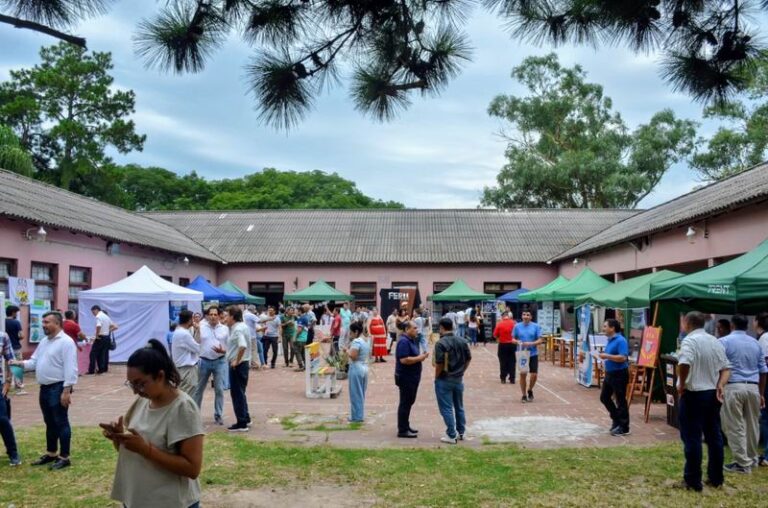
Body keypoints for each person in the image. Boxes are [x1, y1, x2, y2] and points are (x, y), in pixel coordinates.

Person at [100, 339, 204, 508]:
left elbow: (192, 468)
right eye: (131, 384)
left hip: (168, 501)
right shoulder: (143, 401)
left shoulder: (183, 408)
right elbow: (133, 451)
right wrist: (120, 439)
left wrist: (146, 449)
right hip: (137, 497)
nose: (135, 390)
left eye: (140, 383)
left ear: (160, 376)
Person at [11, 311, 77, 470]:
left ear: (57, 323)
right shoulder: (44, 341)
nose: (43, 325)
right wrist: (19, 363)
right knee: (49, 422)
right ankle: (51, 453)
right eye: (43, 322)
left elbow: (71, 368)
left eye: (47, 322)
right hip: (45, 388)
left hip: (58, 387)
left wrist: (66, 390)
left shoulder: (66, 342)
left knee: (61, 422)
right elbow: (34, 362)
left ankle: (64, 457)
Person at [676, 311, 731, 491]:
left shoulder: (689, 341)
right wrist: (721, 385)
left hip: (694, 393)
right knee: (714, 436)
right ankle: (716, 478)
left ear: (686, 323)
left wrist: (681, 384)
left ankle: (692, 481)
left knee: (692, 437)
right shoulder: (714, 341)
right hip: (712, 394)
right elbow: (726, 368)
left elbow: (684, 363)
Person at [719, 314, 767, 473]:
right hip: (753, 387)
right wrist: (761, 393)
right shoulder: (755, 343)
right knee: (752, 425)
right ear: (746, 326)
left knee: (734, 426)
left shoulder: (724, 342)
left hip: (734, 387)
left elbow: (718, 366)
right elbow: (763, 371)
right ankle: (752, 459)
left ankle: (741, 463)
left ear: (731, 325)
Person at [433, 317, 471, 444]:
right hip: (458, 378)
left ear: (442, 328)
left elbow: (439, 363)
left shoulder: (441, 343)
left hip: (444, 378)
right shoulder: (462, 341)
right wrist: (462, 371)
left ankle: (451, 434)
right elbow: (468, 358)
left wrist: (436, 376)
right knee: (459, 406)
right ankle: (461, 432)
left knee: (446, 407)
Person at [194, 306, 229, 425]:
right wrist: (197, 330)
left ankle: (218, 414)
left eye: (215, 314)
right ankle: (195, 415)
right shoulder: (202, 327)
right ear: (207, 316)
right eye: (211, 314)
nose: (213, 316)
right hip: (204, 361)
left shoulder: (225, 329)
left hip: (219, 361)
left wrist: (223, 351)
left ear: (219, 316)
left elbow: (229, 345)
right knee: (199, 389)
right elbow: (197, 341)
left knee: (219, 389)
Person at [395, 321, 429, 438]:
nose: (417, 330)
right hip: (406, 377)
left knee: (409, 402)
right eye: (414, 328)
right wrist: (420, 358)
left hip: (412, 377)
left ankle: (406, 425)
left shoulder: (411, 340)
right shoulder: (403, 341)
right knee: (405, 402)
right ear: (407, 329)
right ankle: (402, 430)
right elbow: (404, 360)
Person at [598, 319, 630, 437]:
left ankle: (624, 427)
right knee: (604, 397)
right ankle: (616, 419)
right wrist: (604, 359)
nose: (603, 328)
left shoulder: (621, 340)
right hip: (610, 373)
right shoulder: (610, 340)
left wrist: (607, 356)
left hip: (619, 374)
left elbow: (623, 357)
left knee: (620, 400)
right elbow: (610, 356)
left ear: (612, 328)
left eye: (605, 326)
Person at [222, 306, 251, 432]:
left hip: (238, 366)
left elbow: (242, 346)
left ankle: (241, 422)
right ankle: (245, 417)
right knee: (240, 392)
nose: (225, 318)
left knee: (237, 394)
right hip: (242, 364)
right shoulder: (241, 326)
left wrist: (236, 361)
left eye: (227, 315)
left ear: (233, 316)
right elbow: (238, 347)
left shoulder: (237, 329)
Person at [1, 329, 21, 466]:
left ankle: (13, 453)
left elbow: (12, 361)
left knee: (2, 420)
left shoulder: (3, 336)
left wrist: (8, 382)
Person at [514, 310, 543, 402]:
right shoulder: (517, 326)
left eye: (528, 315)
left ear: (531, 317)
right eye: (524, 314)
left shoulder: (536, 326)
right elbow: (512, 339)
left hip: (533, 353)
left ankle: (530, 389)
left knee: (534, 374)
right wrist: (517, 342)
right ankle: (523, 395)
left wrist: (531, 343)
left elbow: (540, 340)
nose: (525, 316)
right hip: (522, 354)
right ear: (522, 316)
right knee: (523, 374)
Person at [171, 310, 201, 397]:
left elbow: (194, 344)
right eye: (193, 319)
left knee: (183, 395)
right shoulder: (184, 334)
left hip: (182, 368)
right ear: (189, 320)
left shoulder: (180, 331)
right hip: (187, 369)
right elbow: (198, 348)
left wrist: (197, 330)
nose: (194, 321)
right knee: (187, 397)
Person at [346, 322, 370, 423]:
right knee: (361, 393)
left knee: (355, 393)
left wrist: (346, 351)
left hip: (356, 367)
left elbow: (354, 356)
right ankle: (359, 414)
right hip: (364, 366)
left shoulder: (357, 341)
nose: (350, 335)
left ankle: (356, 416)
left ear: (356, 332)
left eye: (351, 332)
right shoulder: (366, 340)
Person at [756, 312, 768, 467]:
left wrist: (761, 390)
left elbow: (763, 366)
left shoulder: (764, 339)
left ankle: (766, 455)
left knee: (765, 418)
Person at [88, 305, 114, 375]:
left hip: (100, 337)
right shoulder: (106, 316)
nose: (93, 314)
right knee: (102, 354)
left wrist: (96, 335)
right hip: (106, 337)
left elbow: (98, 325)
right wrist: (107, 331)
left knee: (93, 354)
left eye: (93, 312)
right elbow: (113, 325)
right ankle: (101, 370)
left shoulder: (98, 316)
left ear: (96, 310)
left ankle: (91, 370)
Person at [493, 312, 517, 384]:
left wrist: (499, 337)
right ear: (508, 316)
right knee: (512, 361)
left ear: (502, 316)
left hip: (503, 344)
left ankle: (503, 378)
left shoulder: (499, 324)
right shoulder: (514, 323)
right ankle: (512, 378)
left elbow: (495, 335)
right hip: (512, 344)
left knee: (502, 361)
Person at [5, 305, 25, 392]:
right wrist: (19, 338)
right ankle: (19, 386)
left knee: (8, 367)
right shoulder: (16, 322)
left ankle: (7, 386)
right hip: (16, 347)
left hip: (5, 348)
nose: (16, 314)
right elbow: (21, 335)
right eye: (16, 312)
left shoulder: (3, 322)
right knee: (17, 366)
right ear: (13, 313)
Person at [243, 306, 265, 370]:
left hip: (245, 334)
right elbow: (259, 321)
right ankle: (254, 364)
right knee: (254, 350)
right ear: (253, 310)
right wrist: (270, 319)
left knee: (247, 350)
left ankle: (248, 363)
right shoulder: (251, 315)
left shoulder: (244, 314)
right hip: (252, 336)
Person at [293, 305, 312, 371]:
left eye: (296, 311)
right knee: (303, 353)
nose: (295, 312)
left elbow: (299, 329)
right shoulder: (306, 317)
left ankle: (301, 366)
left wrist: (295, 337)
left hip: (300, 338)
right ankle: (306, 366)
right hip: (304, 338)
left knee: (297, 351)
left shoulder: (301, 318)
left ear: (300, 311)